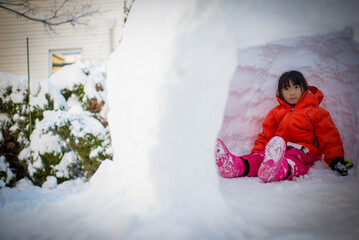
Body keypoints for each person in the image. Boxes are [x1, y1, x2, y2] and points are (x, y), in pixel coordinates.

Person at [215, 70, 353, 183]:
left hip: (303, 150)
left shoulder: (315, 111)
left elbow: (329, 135)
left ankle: (277, 170)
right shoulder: (276, 112)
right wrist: (256, 153)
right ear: (281, 92)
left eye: (296, 87)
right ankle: (235, 166)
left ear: (303, 88)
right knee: (260, 158)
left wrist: (335, 159)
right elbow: (265, 135)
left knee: (293, 158)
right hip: (276, 150)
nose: (292, 92)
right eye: (286, 89)